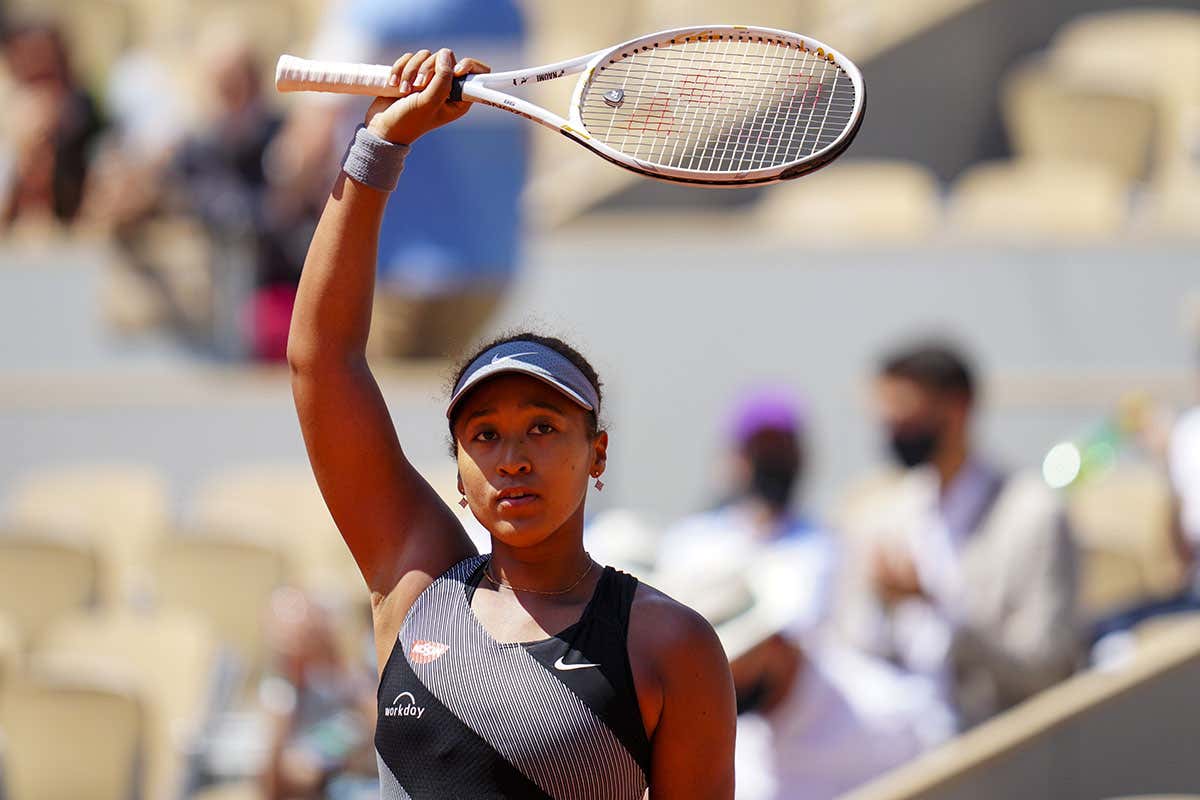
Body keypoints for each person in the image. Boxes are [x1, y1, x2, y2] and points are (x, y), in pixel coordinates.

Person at [287, 47, 735, 798]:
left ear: (597, 454)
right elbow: (321, 363)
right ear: (458, 470)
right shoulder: (414, 585)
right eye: (484, 435)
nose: (512, 458)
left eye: (543, 427)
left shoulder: (669, 645)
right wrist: (379, 145)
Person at [835, 341, 1080, 729]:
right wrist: (884, 606)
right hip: (894, 743)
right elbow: (853, 646)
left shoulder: (1032, 514)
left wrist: (935, 609)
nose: (891, 425)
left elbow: (1046, 667)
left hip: (993, 747)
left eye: (904, 410)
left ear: (957, 407)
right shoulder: (884, 514)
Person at [274, 0, 527, 359]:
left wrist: (278, 198)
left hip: (385, 268)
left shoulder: (371, 11)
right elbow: (522, 138)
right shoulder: (504, 11)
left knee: (362, 399)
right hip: (490, 265)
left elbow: (309, 141)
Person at [659, 387, 836, 633]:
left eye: (780, 450)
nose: (771, 462)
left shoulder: (826, 548)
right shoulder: (691, 543)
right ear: (733, 458)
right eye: (760, 451)